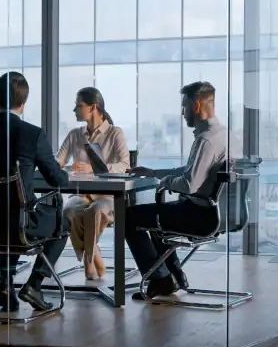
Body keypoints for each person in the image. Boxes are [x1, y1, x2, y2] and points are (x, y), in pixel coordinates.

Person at [0, 71, 70, 312]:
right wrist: (65, 171)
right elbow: (56, 179)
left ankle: (6, 285)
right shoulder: (32, 134)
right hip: (16, 222)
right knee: (63, 222)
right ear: (25, 101)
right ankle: (34, 284)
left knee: (8, 214)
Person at [127, 81, 228, 299]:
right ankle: (175, 274)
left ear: (197, 106)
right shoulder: (223, 135)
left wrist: (164, 182)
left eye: (185, 107)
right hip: (212, 212)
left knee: (128, 217)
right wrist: (154, 172)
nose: (183, 113)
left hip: (199, 216)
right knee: (154, 215)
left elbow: (189, 184)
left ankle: (161, 280)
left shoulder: (206, 141)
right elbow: (192, 171)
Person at [56, 87, 129, 281]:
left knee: (95, 212)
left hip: (107, 195)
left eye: (78, 106)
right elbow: (58, 160)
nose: (74, 110)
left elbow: (125, 165)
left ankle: (88, 261)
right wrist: (57, 165)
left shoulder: (115, 134)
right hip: (81, 194)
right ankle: (93, 249)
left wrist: (94, 168)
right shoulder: (74, 134)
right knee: (69, 211)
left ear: (93, 107)